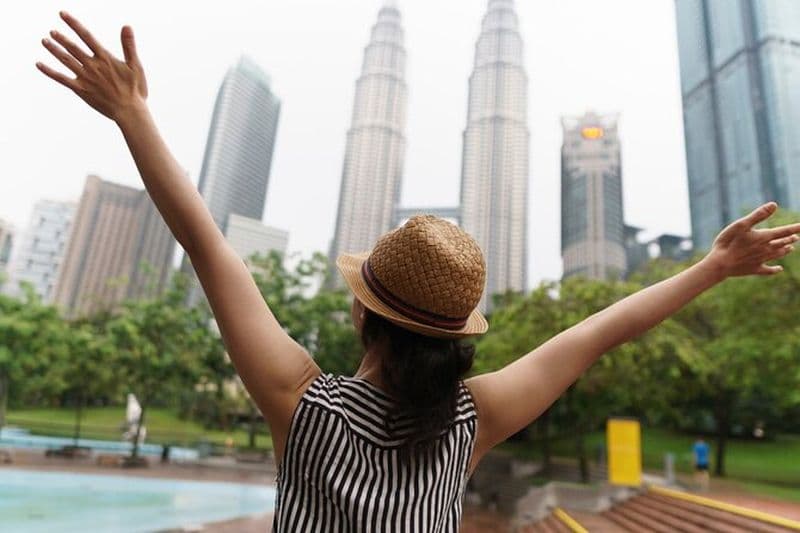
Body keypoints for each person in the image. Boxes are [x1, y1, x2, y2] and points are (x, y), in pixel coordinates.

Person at [36, 13, 800, 531]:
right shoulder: (469, 422)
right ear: (458, 340)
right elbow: (595, 335)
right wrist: (712, 267)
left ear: (362, 314)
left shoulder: (303, 405)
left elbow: (208, 246)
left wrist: (134, 114)